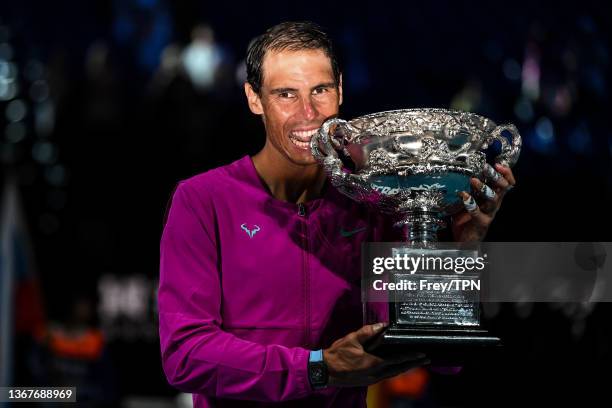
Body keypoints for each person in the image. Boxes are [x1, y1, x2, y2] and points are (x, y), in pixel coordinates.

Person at [158, 21, 516, 407]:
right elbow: (186, 354)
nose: (308, 112)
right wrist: (318, 368)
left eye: (321, 91)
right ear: (254, 99)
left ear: (340, 90)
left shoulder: (375, 204)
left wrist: (458, 249)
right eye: (286, 94)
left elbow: (443, 356)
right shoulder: (202, 200)